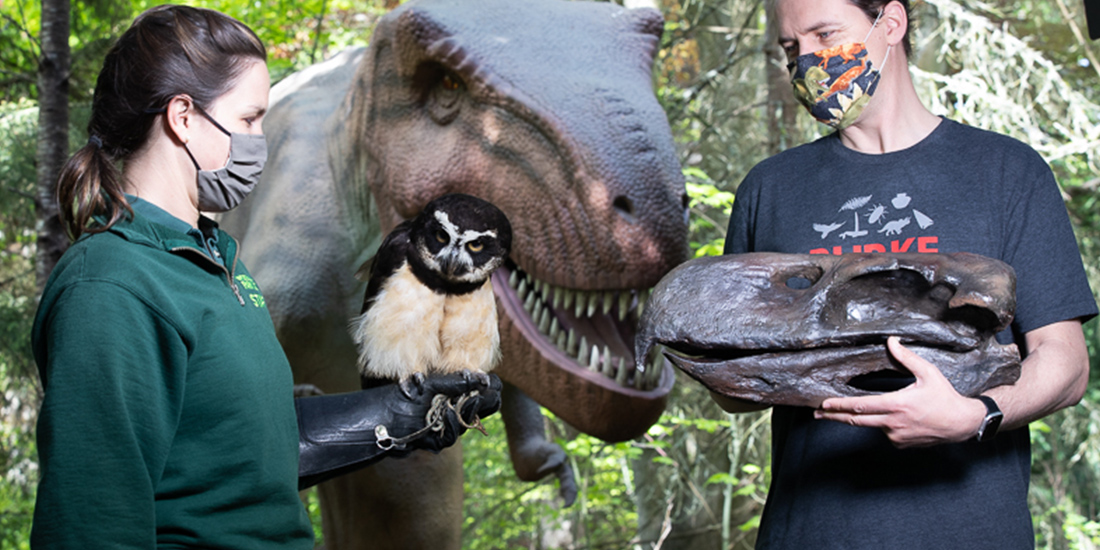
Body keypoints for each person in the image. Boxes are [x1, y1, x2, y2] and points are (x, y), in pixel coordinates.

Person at [30, 5, 500, 548]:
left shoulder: (217, 262)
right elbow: (91, 523)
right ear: (183, 117)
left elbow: (238, 455)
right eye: (251, 119)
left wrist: (391, 418)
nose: (262, 139)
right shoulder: (111, 285)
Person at [719, 0, 1097, 547]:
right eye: (790, 48)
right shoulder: (769, 188)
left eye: (824, 34)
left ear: (890, 24)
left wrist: (975, 415)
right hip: (810, 533)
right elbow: (734, 388)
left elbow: (1066, 364)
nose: (807, 60)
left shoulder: (1006, 171)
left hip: (973, 532)